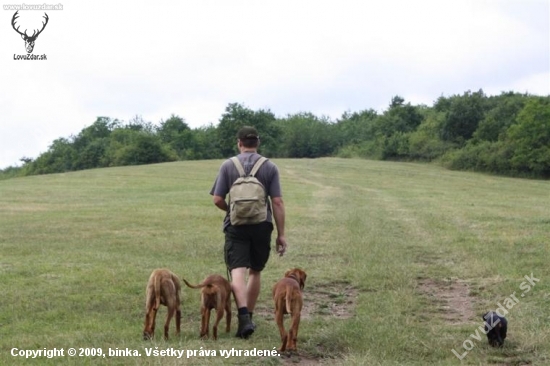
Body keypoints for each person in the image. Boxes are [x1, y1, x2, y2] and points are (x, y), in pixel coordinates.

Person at [210, 126, 287, 339]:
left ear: (239, 143)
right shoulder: (269, 166)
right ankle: (250, 316)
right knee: (255, 270)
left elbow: (217, 199)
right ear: (258, 143)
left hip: (236, 227)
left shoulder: (228, 165)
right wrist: (281, 234)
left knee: (237, 272)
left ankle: (243, 317)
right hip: (262, 225)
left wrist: (231, 211)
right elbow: (278, 202)